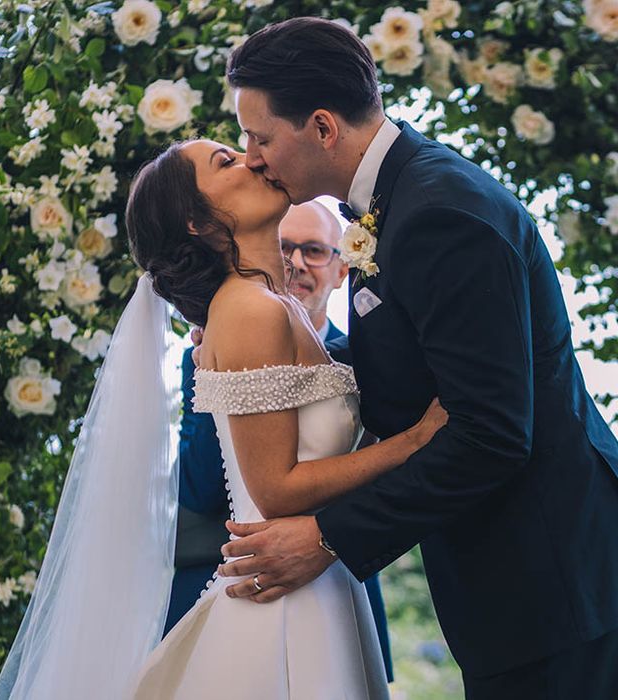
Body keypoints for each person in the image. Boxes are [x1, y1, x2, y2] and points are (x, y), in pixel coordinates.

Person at [213, 17, 618, 699]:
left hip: (555, 588)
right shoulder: (393, 204)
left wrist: (330, 538)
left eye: (259, 137)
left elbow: (490, 434)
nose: (252, 156)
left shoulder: (439, 213)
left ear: (321, 126)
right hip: (520, 591)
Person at [0, 137, 448, 699]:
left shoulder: (271, 305)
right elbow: (277, 490)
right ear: (196, 221)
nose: (254, 158)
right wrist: (413, 443)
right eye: (226, 162)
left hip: (320, 579)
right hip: (281, 600)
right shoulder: (246, 310)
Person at [166, 201, 394, 682]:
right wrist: (226, 377)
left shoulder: (369, 358)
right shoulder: (210, 347)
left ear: (340, 269)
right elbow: (202, 487)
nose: (295, 262)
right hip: (244, 583)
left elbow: (387, 477)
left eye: (313, 250)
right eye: (283, 247)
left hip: (341, 574)